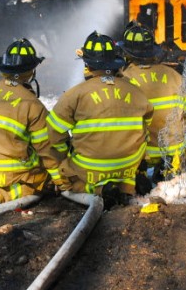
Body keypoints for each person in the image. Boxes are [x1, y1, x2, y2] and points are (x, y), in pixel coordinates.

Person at [46, 31, 153, 207]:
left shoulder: (75, 94)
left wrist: (66, 153)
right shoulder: (136, 91)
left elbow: (53, 132)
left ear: (87, 64)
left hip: (90, 169)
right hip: (127, 166)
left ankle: (99, 190)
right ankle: (129, 185)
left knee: (65, 176)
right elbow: (145, 128)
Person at [0, 38, 63, 209]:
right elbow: (47, 150)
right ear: (30, 72)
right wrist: (60, 180)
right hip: (4, 168)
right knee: (43, 180)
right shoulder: (32, 104)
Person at [119, 22, 186, 190]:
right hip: (172, 148)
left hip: (143, 153)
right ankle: (169, 166)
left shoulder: (124, 79)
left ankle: (139, 172)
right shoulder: (173, 75)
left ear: (127, 53)